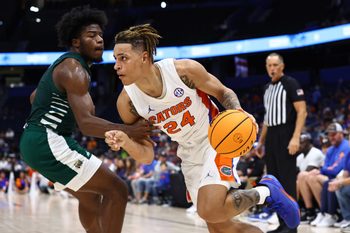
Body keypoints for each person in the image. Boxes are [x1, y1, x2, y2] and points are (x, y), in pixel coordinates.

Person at [105, 24, 300, 233]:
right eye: (115, 59)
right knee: (221, 227)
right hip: (188, 153)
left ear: (144, 57)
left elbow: (223, 92)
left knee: (210, 209)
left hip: (216, 138)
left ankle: (267, 192)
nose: (116, 65)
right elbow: (146, 156)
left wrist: (238, 111)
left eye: (123, 58)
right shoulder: (127, 102)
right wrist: (126, 141)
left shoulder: (182, 71)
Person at [19, 7, 152, 233]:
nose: (99, 40)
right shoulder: (74, 69)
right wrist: (129, 131)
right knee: (117, 190)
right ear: (76, 42)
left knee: (90, 198)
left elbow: (34, 97)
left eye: (100, 35)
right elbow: (87, 125)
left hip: (35, 140)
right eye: (91, 36)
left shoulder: (65, 66)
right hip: (48, 141)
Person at [255, 52, 307, 233]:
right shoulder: (267, 88)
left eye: (275, 65)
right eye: (269, 65)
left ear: (282, 66)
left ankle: (292, 228)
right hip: (271, 138)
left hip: (286, 135)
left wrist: (295, 137)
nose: (272, 68)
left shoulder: (290, 83)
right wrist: (260, 142)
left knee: (287, 182)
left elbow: (302, 111)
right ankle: (282, 224)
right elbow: (268, 119)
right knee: (273, 184)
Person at [296, 132, 325, 222]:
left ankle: (312, 211)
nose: (299, 145)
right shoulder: (299, 157)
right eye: (299, 142)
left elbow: (307, 172)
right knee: (293, 181)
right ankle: (300, 211)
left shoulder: (315, 152)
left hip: (316, 179)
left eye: (302, 142)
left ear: (309, 142)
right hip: (305, 181)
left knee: (302, 177)